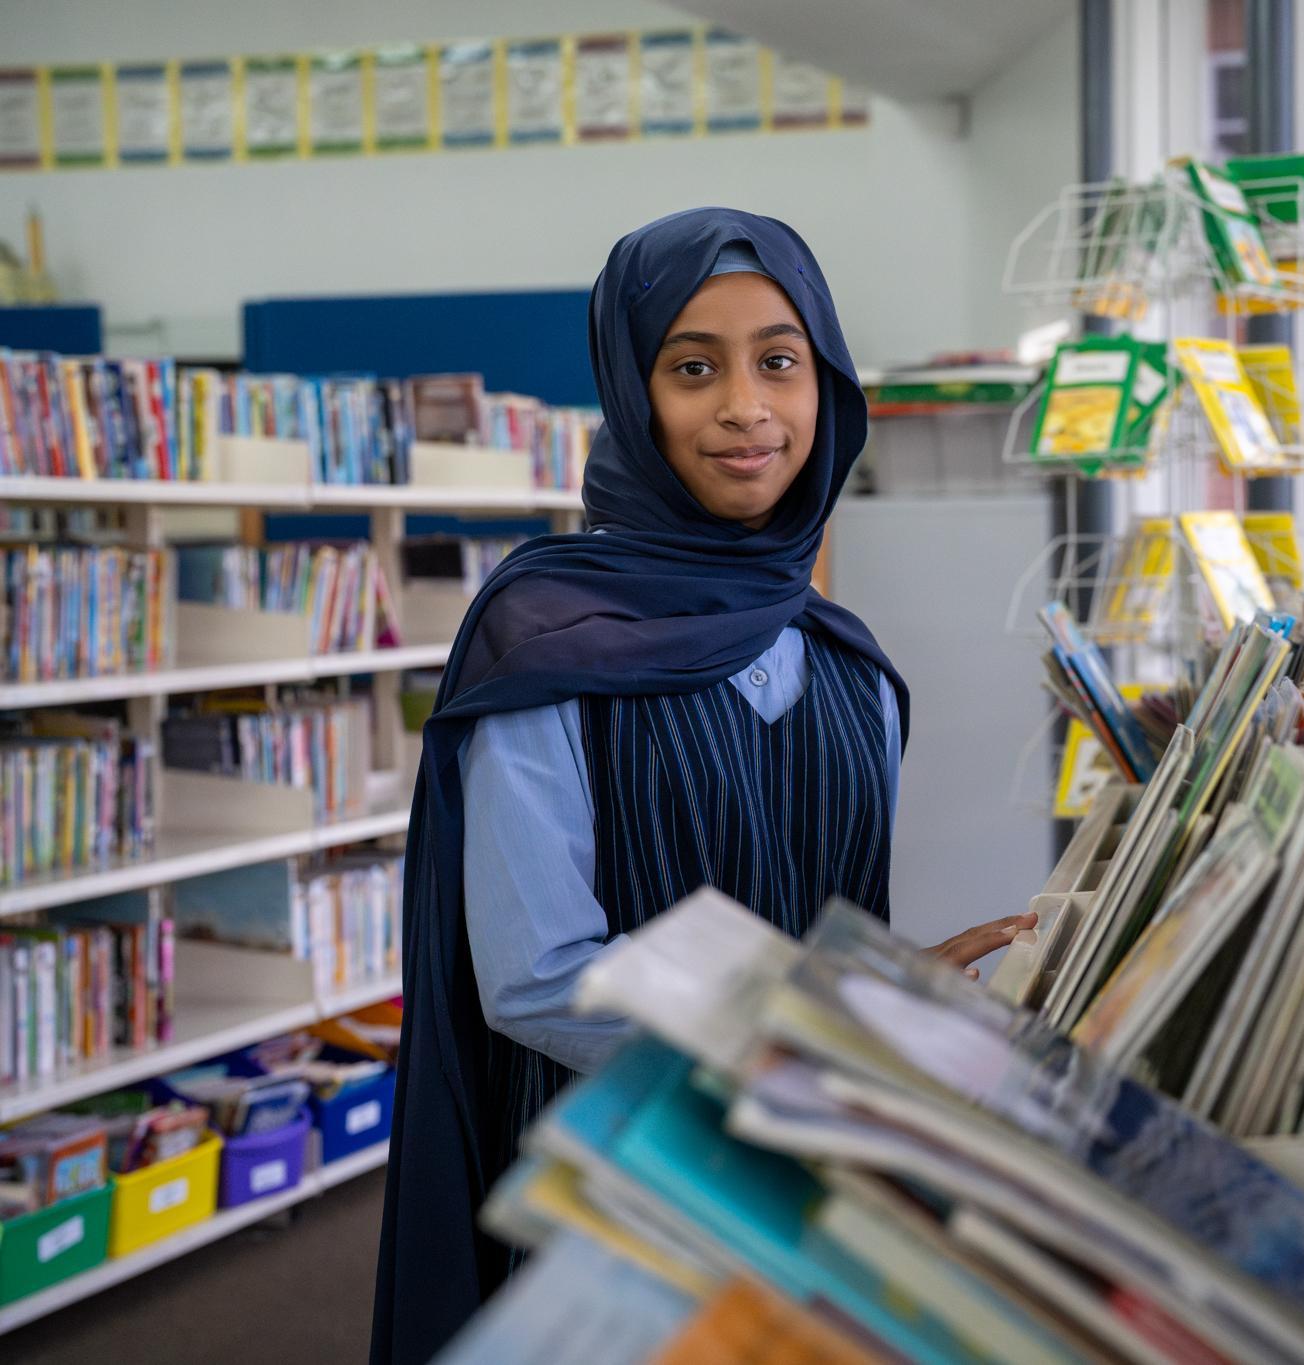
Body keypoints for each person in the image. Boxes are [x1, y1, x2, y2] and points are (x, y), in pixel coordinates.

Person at [370, 207, 1030, 1363]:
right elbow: (532, 979)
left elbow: (822, 929)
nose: (743, 407)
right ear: (632, 393)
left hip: (802, 1185)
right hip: (616, 1198)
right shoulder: (546, 640)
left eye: (778, 362)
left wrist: (889, 995)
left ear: (826, 386)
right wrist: (810, 1041)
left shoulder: (851, 667)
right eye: (691, 369)